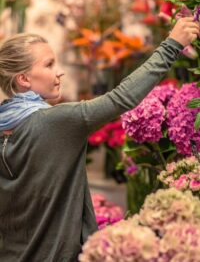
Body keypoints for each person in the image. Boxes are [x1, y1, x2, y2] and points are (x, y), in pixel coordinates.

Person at [0, 16, 199, 262]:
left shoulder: (5, 126)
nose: (59, 71)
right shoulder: (55, 122)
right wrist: (172, 45)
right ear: (24, 79)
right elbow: (121, 98)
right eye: (49, 65)